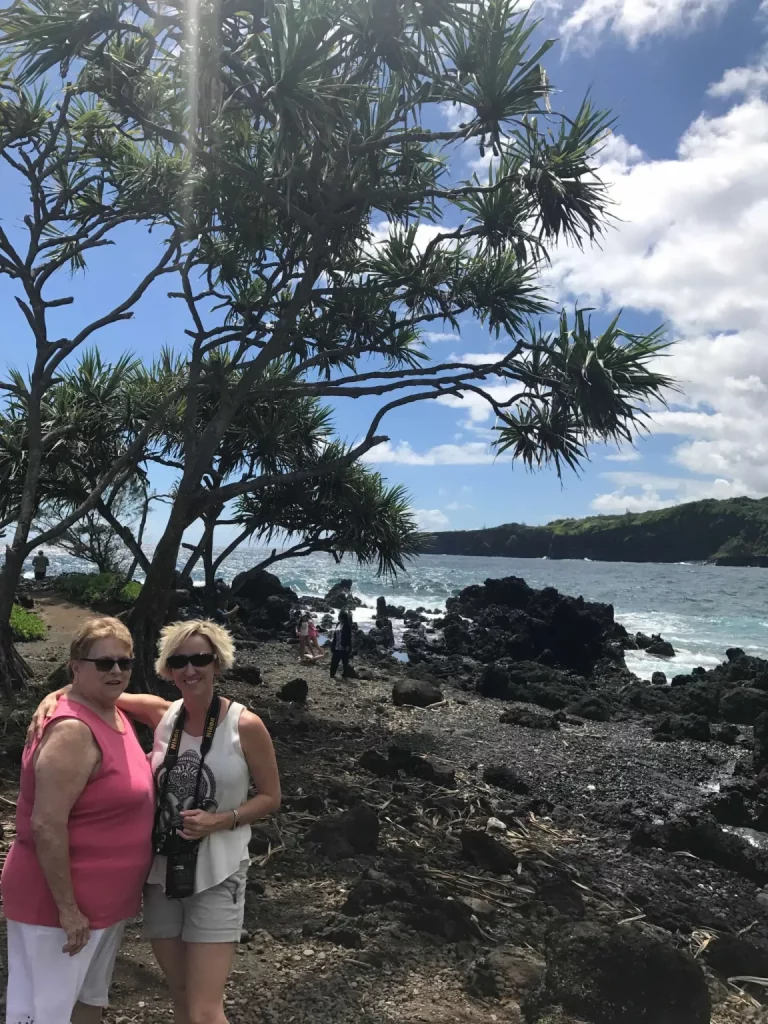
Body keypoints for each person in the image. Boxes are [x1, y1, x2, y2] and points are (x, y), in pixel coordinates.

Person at [30, 619, 281, 1024]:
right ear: (167, 668)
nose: (190, 669)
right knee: (180, 995)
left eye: (200, 658)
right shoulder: (161, 714)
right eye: (179, 660)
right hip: (163, 875)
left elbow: (272, 797)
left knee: (204, 1010)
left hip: (219, 874)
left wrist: (221, 820)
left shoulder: (244, 725)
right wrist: (51, 697)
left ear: (218, 663)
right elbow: (90, 688)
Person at [3, 617, 155, 1024]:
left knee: (90, 1002)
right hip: (59, 911)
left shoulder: (113, 712)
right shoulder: (72, 729)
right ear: (76, 666)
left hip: (106, 905)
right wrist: (68, 910)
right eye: (104, 663)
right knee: (43, 1014)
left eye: (125, 662)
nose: (117, 671)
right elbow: (46, 825)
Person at [329, 609, 353, 679]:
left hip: (344, 647)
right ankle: (332, 674)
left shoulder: (347, 626)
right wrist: (332, 644)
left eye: (341, 617)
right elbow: (335, 636)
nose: (340, 618)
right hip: (336, 646)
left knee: (345, 662)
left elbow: (349, 637)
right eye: (339, 617)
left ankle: (345, 675)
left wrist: (348, 646)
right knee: (334, 661)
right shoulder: (338, 624)